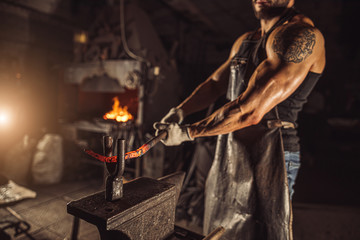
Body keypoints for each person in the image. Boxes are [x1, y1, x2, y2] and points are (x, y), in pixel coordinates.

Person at [154, 0, 326, 239]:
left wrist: (187, 132)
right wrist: (180, 111)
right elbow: (215, 84)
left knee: (266, 230)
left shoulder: (301, 36)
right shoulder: (246, 41)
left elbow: (250, 111)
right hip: (232, 147)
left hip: (275, 151)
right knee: (225, 225)